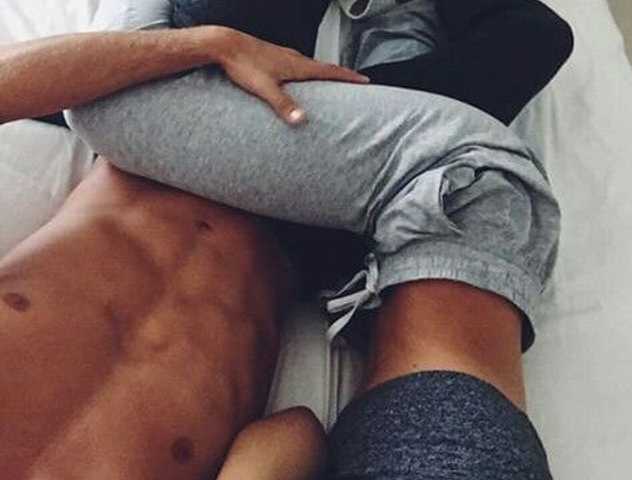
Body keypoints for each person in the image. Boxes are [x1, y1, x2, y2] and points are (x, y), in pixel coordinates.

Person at [0, 2, 570, 479]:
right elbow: (295, 431)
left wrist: (209, 45)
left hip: (177, 154)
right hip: (307, 233)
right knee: (525, 46)